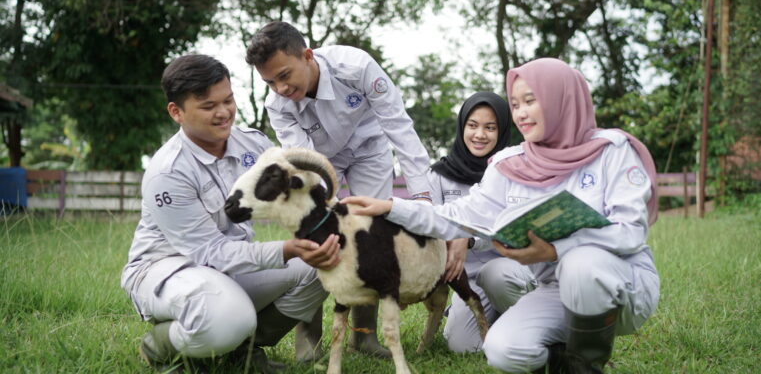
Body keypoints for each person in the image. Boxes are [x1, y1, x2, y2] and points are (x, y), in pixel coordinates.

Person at [342, 58, 660, 373]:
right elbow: (457, 215)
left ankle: (586, 367)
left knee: (581, 263)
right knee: (502, 349)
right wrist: (393, 208)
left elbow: (631, 231)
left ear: (560, 99)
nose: (521, 112)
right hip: (556, 290)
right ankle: (561, 359)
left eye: (530, 101)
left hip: (621, 285)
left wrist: (556, 250)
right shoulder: (511, 162)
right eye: (516, 103)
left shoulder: (611, 151)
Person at [120, 54, 341, 373]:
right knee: (227, 315)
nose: (224, 113)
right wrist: (286, 249)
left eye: (228, 100)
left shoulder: (251, 144)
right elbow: (209, 252)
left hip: (231, 268)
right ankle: (160, 346)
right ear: (176, 112)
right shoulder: (167, 172)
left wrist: (333, 219)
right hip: (170, 270)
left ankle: (242, 353)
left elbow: (295, 189)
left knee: (320, 264)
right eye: (208, 106)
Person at [244, 21, 433, 358]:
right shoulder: (278, 106)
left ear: (307, 55)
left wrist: (422, 196)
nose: (281, 88)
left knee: (370, 229)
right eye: (270, 82)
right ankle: (310, 341)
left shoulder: (357, 67)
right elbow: (305, 164)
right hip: (319, 158)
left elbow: (398, 126)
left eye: (285, 75)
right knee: (318, 230)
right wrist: (324, 207)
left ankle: (364, 335)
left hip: (369, 149)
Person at [428, 91, 537, 353]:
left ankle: (536, 319)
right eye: (473, 125)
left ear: (502, 131)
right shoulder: (439, 175)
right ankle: (478, 317)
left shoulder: (515, 170)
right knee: (463, 347)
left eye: (490, 128)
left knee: (498, 276)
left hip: (511, 270)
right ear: (462, 125)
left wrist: (470, 239)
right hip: (469, 281)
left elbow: (516, 230)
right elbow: (432, 222)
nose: (480, 135)